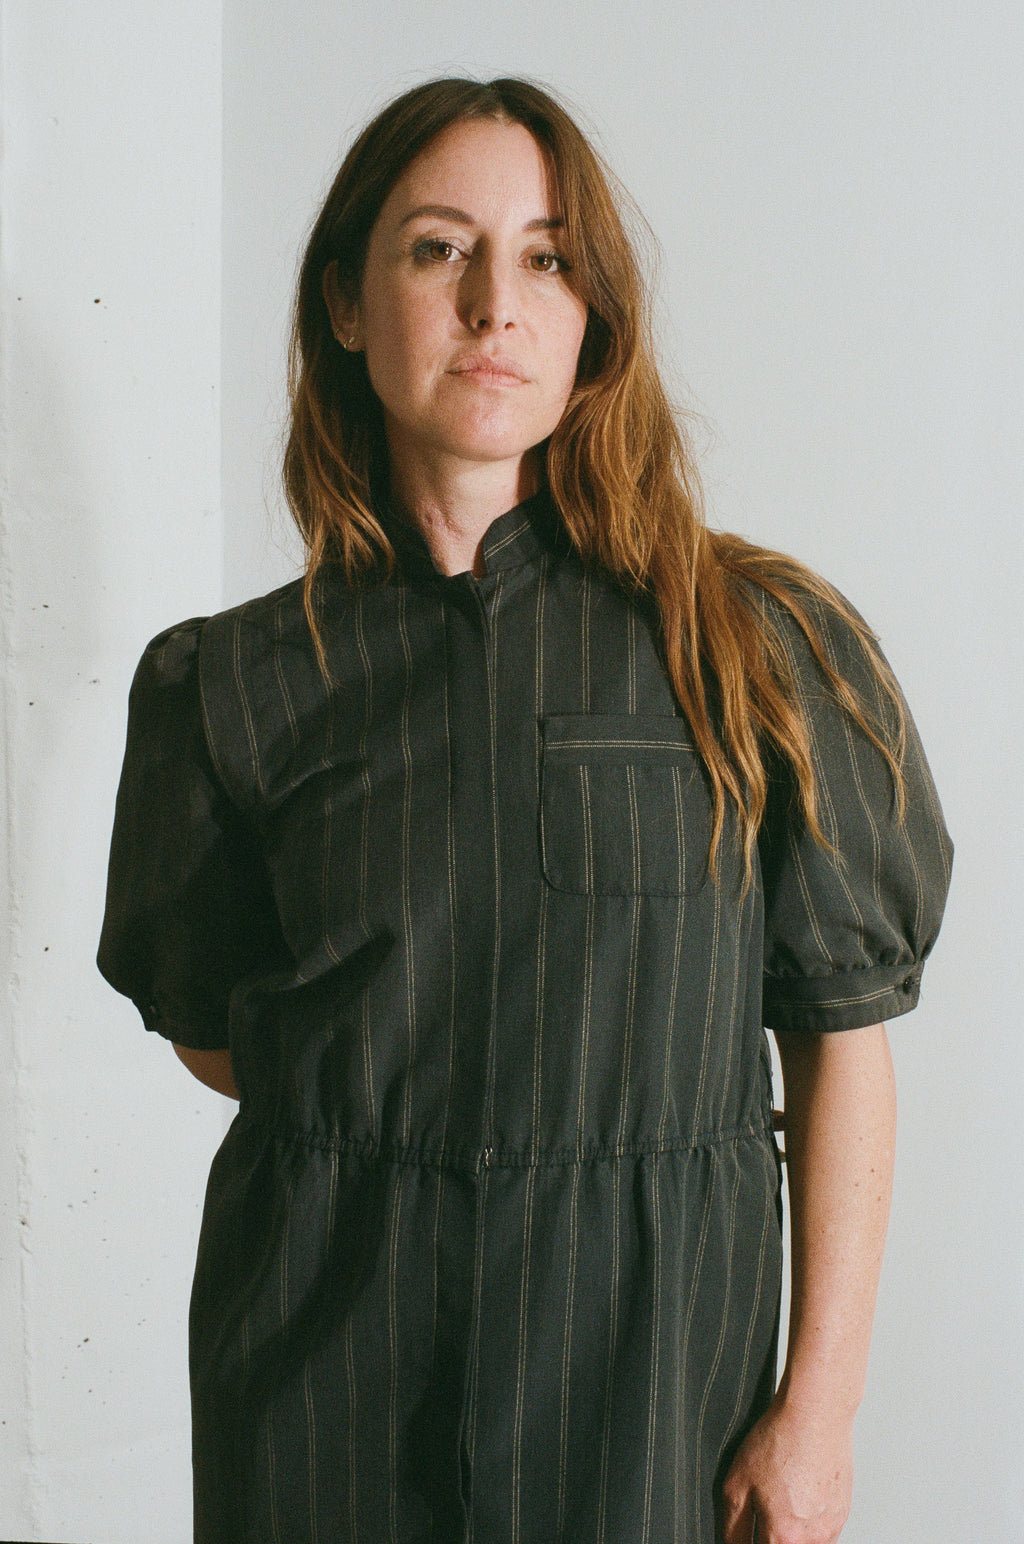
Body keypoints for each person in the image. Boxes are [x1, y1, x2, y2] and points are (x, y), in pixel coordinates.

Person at [98, 77, 952, 1544]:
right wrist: (415, 1121)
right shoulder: (226, 685)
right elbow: (213, 1024)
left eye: (547, 257)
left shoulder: (752, 647)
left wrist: (818, 1417)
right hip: (323, 1382)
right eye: (437, 249)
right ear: (349, 306)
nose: (497, 301)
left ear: (592, 320)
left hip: (647, 1387)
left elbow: (840, 1038)